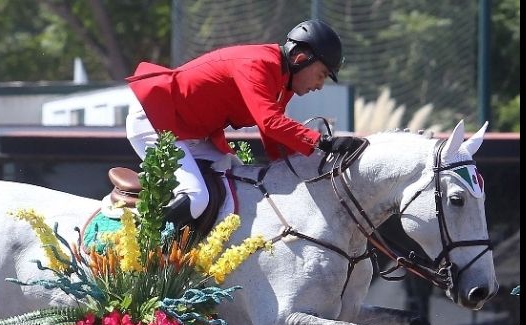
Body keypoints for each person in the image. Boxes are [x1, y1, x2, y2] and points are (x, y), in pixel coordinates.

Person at [125, 19, 357, 227]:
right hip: (155, 120)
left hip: (188, 132)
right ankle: (138, 250)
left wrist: (296, 170)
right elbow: (270, 122)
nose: (320, 86)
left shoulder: (284, 82)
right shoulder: (258, 64)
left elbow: (273, 139)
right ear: (301, 58)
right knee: (197, 197)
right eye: (322, 74)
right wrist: (323, 142)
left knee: (238, 178)